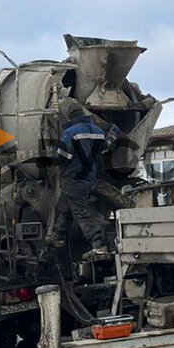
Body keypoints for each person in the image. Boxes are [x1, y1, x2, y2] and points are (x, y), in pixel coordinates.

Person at [46, 97, 119, 260]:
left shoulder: (70, 133)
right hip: (88, 178)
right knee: (64, 207)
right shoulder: (97, 132)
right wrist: (114, 133)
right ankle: (56, 237)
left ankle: (99, 245)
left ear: (70, 117)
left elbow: (63, 156)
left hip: (73, 179)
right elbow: (106, 147)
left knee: (81, 213)